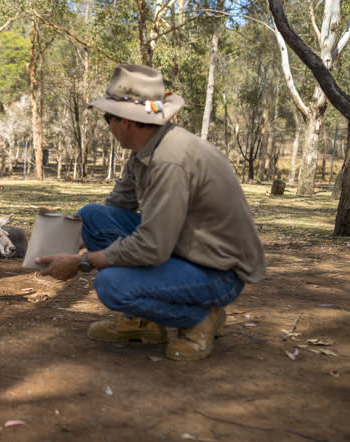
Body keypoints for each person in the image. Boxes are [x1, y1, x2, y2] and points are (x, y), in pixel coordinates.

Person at [36, 63, 266, 361]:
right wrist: (64, 243)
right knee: (91, 217)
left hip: (218, 272)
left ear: (126, 122)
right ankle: (144, 322)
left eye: (108, 118)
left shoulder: (169, 161)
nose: (107, 125)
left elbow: (152, 247)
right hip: (186, 251)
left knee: (110, 286)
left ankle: (200, 316)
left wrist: (81, 263)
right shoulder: (145, 153)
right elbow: (115, 209)